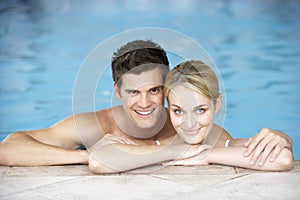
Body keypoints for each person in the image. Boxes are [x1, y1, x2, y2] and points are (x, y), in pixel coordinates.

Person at [0, 40, 292, 172]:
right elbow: (9, 148)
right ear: (117, 91)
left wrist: (283, 136)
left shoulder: (192, 129)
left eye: (154, 90)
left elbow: (267, 156)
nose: (144, 103)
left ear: (167, 91)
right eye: (133, 92)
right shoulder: (98, 125)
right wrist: (82, 156)